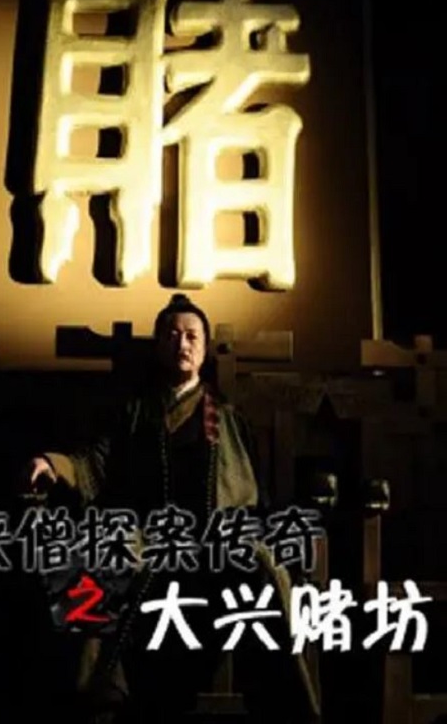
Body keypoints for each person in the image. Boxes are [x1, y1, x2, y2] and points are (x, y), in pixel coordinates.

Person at [22, 294, 320, 723]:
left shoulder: (227, 418)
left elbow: (252, 494)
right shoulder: (134, 413)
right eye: (173, 335)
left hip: (215, 541)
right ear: (159, 345)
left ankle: (288, 711)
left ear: (204, 349)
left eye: (192, 336)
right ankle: (99, 697)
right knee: (99, 559)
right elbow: (92, 462)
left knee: (262, 570)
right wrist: (53, 464)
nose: (182, 343)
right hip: (149, 537)